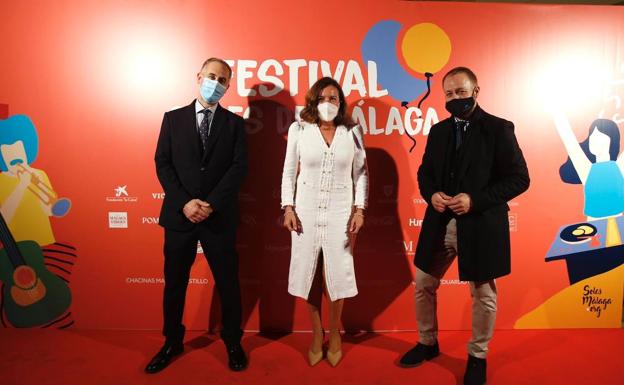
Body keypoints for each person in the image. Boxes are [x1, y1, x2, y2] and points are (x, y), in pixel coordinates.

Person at [399, 67, 529, 385]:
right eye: (449, 93)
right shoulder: (439, 131)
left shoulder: (499, 129)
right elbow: (424, 174)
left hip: (480, 226)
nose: (455, 98)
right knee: (423, 285)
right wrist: (432, 194)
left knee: (483, 294)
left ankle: (477, 356)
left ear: (476, 91)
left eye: (461, 92)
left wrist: (476, 200)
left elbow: (520, 179)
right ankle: (428, 343)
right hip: (440, 224)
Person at [145, 58, 248, 373]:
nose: (215, 83)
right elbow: (163, 162)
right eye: (211, 76)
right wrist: (185, 202)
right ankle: (172, 341)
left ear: (228, 86)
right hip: (180, 216)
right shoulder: (172, 119)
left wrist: (212, 203)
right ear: (199, 76)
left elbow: (238, 168)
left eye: (223, 79)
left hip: (218, 217)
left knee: (228, 283)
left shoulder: (234, 124)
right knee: (175, 283)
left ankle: (232, 341)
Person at [281, 76, 368, 367]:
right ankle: (317, 334)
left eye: (333, 98)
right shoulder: (299, 129)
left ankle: (335, 332)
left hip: (341, 212)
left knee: (337, 274)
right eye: (322, 98)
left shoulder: (352, 131)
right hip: (305, 210)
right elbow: (289, 171)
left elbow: (362, 173)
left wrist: (359, 210)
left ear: (341, 102)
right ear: (312, 101)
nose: (328, 103)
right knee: (311, 274)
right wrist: (288, 208)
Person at [555, 115, 624, 220]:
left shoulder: (619, 167)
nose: (594, 140)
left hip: (617, 226)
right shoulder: (586, 170)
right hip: (593, 228)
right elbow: (568, 138)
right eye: (592, 136)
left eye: (600, 136)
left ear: (611, 141)